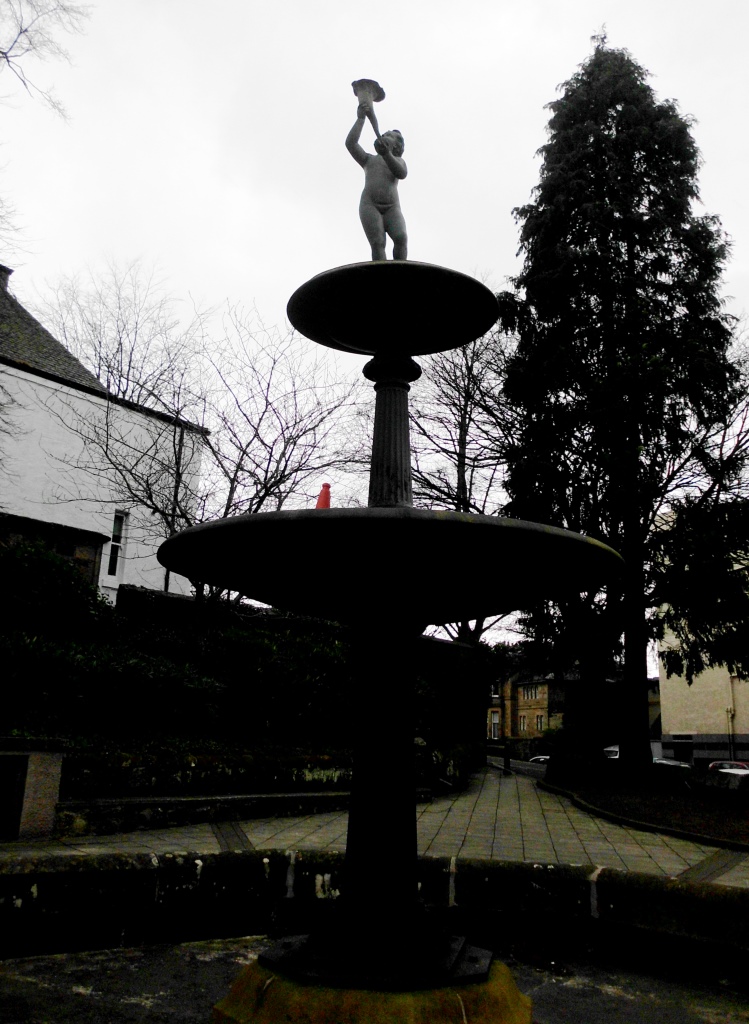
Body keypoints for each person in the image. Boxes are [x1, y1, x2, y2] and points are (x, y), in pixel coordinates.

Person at [345, 102, 408, 261]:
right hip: (370, 204)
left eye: (391, 136)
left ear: (397, 147)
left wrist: (387, 155)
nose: (386, 136)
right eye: (385, 134)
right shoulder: (368, 160)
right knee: (378, 241)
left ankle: (401, 270)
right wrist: (360, 119)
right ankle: (381, 275)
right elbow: (351, 144)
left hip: (392, 207)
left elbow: (401, 173)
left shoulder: (399, 161)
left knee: (401, 237)